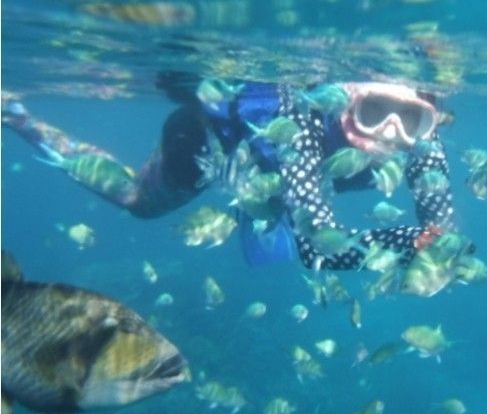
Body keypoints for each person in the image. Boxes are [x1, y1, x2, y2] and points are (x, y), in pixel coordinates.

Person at [2, 76, 463, 270]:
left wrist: (437, 244)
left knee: (284, 212)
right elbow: (316, 243)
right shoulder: (301, 118)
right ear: (345, 95)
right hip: (215, 145)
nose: (390, 130)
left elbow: (444, 231)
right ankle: (20, 118)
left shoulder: (422, 143)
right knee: (136, 201)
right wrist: (406, 245)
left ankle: (262, 204)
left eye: (412, 120)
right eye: (374, 110)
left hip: (292, 178)